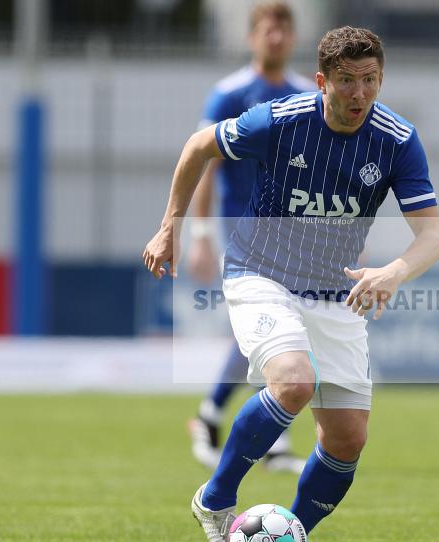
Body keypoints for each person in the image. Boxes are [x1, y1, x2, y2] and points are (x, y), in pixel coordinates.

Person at [143, 26, 439, 542]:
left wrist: (394, 271)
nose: (359, 93)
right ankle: (215, 498)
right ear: (322, 81)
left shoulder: (397, 139)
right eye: (347, 80)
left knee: (348, 439)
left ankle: (290, 539)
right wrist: (172, 228)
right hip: (261, 274)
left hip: (335, 292)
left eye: (370, 79)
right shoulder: (280, 120)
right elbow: (198, 147)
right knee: (294, 381)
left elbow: (433, 235)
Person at [186, 0, 315, 475]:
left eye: (283, 29)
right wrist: (200, 233)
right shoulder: (229, 94)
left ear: (293, 37)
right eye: (267, 29)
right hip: (244, 228)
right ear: (252, 37)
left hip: (295, 231)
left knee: (270, 328)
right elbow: (205, 163)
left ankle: (214, 416)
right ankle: (262, 434)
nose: (275, 37)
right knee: (274, 324)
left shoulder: (307, 96)